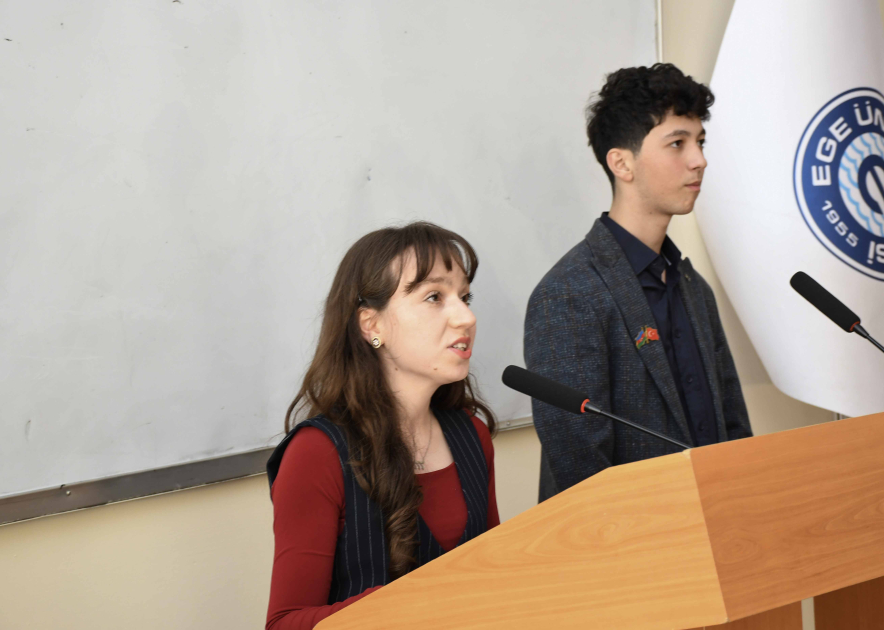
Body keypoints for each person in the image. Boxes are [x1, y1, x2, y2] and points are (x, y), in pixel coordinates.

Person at [525, 63, 753, 502]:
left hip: (721, 521)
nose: (699, 160)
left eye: (700, 142)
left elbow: (733, 427)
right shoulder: (568, 294)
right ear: (622, 163)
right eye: (677, 143)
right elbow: (579, 468)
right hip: (634, 536)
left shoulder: (693, 287)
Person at [265, 222, 499, 629]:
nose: (466, 317)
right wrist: (405, 605)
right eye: (434, 297)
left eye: (465, 297)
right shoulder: (317, 453)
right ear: (372, 326)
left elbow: (494, 576)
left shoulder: (471, 434)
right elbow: (285, 623)